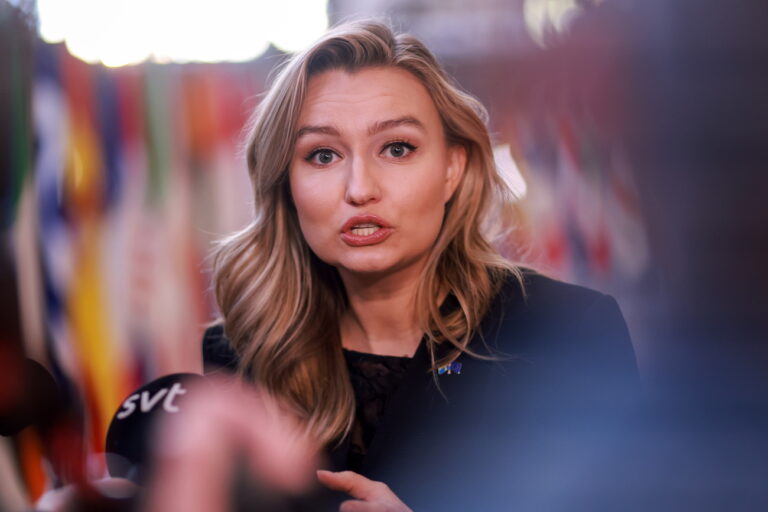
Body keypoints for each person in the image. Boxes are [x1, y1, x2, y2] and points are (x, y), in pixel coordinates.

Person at [201, 20, 640, 511]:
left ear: (452, 168)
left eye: (397, 148)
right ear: (286, 182)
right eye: (322, 155)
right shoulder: (244, 352)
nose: (360, 187)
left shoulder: (563, 332)